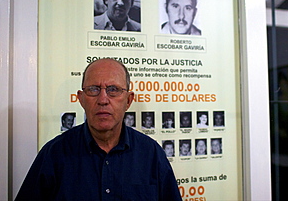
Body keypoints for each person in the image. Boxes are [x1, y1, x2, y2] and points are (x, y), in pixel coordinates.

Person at [16, 58, 181, 200]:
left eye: (113, 90)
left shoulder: (151, 153)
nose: (103, 99)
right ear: (81, 99)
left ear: (128, 101)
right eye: (93, 89)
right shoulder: (54, 154)